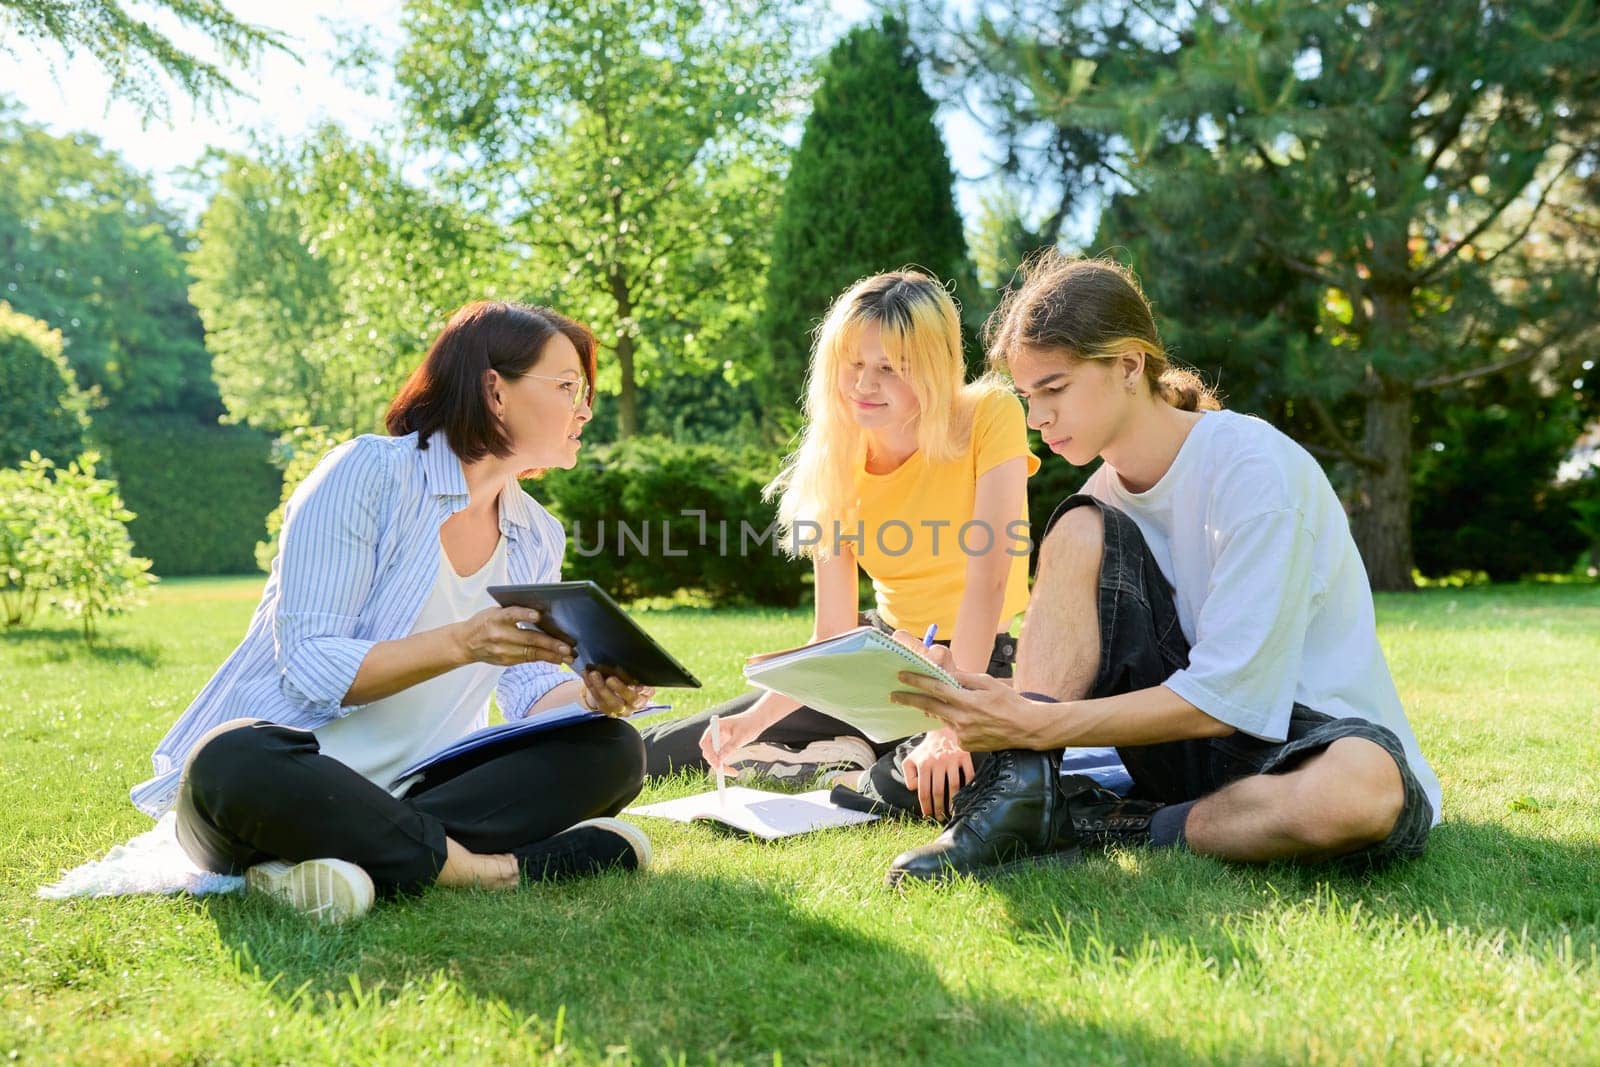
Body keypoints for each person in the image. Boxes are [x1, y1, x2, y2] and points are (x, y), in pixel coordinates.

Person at [886, 252, 1441, 884]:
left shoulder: (1255, 470)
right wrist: (976, 710)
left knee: (1358, 795)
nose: (1036, 418)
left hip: (1306, 737)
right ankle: (1022, 793)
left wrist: (1041, 723)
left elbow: (1227, 698)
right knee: (1078, 522)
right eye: (1026, 396)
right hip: (1176, 748)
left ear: (1128, 365)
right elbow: (1080, 669)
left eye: (1054, 389)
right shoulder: (1100, 497)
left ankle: (1123, 825)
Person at [130, 301, 656, 921]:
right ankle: (496, 872)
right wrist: (462, 643)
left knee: (613, 749)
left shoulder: (535, 533)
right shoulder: (367, 473)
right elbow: (310, 665)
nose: (585, 408)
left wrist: (592, 698)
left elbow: (528, 684)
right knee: (230, 758)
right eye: (568, 386)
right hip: (290, 780)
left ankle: (335, 860)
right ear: (495, 390)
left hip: (423, 788)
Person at [640, 270, 1041, 822]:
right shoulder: (833, 458)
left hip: (972, 664)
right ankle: (815, 750)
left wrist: (953, 723)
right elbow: (831, 635)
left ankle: (853, 763)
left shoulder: (990, 415)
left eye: (888, 368)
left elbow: (989, 582)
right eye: (852, 364)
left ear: (931, 368)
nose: (863, 385)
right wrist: (752, 722)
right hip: (877, 656)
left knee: (929, 788)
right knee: (667, 750)